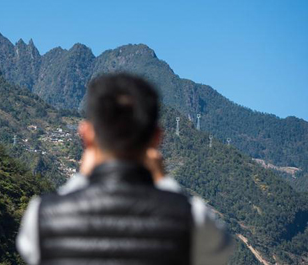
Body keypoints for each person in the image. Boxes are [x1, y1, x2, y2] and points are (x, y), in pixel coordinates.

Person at [17, 73, 233, 265]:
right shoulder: (193, 219)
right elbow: (221, 252)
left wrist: (82, 177)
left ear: (86, 134)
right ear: (157, 138)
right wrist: (163, 180)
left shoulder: (41, 217)